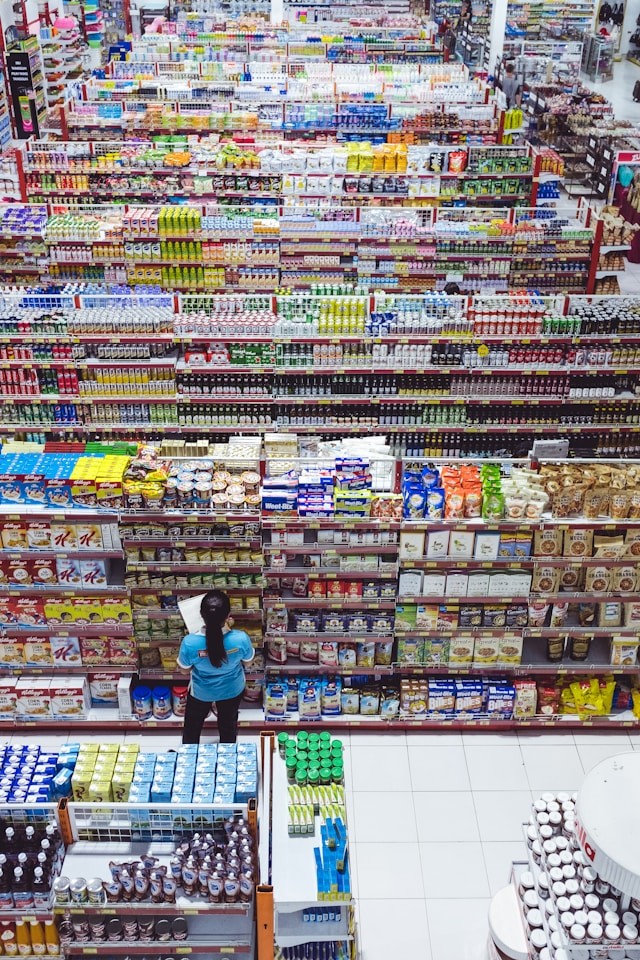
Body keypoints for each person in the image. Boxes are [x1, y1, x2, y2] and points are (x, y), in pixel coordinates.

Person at [177, 589, 255, 744]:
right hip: (232, 690)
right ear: (228, 615)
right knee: (228, 725)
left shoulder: (190, 642)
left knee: (192, 727)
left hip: (201, 692)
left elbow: (184, 670)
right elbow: (248, 662)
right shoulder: (240, 639)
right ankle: (228, 756)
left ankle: (190, 759)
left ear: (201, 615)